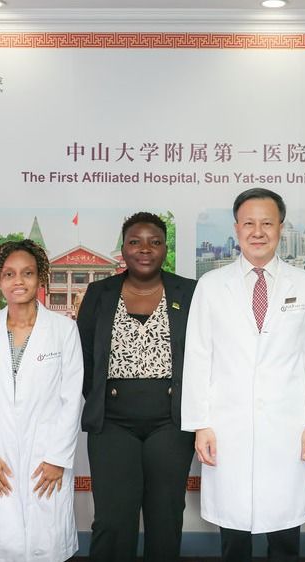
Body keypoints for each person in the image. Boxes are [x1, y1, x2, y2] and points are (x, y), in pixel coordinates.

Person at [182, 188, 305, 562]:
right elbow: (198, 358)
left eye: (267, 223)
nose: (258, 232)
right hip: (227, 427)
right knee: (234, 536)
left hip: (288, 427)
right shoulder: (211, 285)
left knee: (285, 533)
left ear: (281, 227)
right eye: (249, 223)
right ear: (236, 228)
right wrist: (201, 424)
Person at [76, 212, 197, 562]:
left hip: (171, 423)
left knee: (165, 516)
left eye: (154, 242)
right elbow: (84, 356)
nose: (145, 249)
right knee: (113, 519)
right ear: (124, 249)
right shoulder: (99, 293)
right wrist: (101, 398)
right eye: (135, 242)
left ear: (165, 248)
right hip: (112, 424)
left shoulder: (189, 292)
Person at [0, 239, 83, 561]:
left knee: (46, 542)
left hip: (47, 454)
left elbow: (71, 400)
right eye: (9, 274)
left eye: (27, 273)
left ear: (40, 277)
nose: (19, 281)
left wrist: (57, 458)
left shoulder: (63, 330)